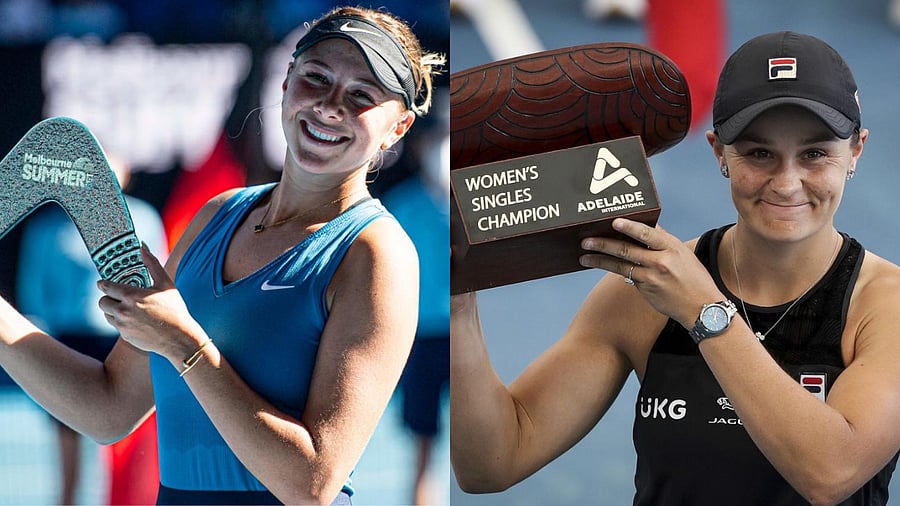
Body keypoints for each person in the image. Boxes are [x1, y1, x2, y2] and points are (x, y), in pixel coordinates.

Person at [0, 5, 444, 504]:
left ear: (398, 128)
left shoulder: (377, 253)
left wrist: (184, 344)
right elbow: (109, 408)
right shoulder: (217, 215)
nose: (330, 106)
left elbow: (312, 485)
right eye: (316, 78)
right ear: (286, 82)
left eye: (362, 95)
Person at [451, 31, 900, 505]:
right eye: (759, 153)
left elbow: (830, 472)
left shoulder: (884, 306)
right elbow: (494, 462)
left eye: (814, 154)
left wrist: (704, 312)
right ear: (718, 151)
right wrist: (459, 304)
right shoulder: (643, 295)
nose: (787, 183)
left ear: (856, 150)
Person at [16, 155, 167, 505]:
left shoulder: (143, 219)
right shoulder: (49, 226)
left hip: (123, 340)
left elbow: (159, 281)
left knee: (125, 447)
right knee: (66, 438)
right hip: (67, 340)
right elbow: (33, 288)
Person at [380, 90, 450, 506]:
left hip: (464, 336)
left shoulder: (476, 206)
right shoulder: (397, 207)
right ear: (422, 146)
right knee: (423, 450)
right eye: (439, 138)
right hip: (419, 341)